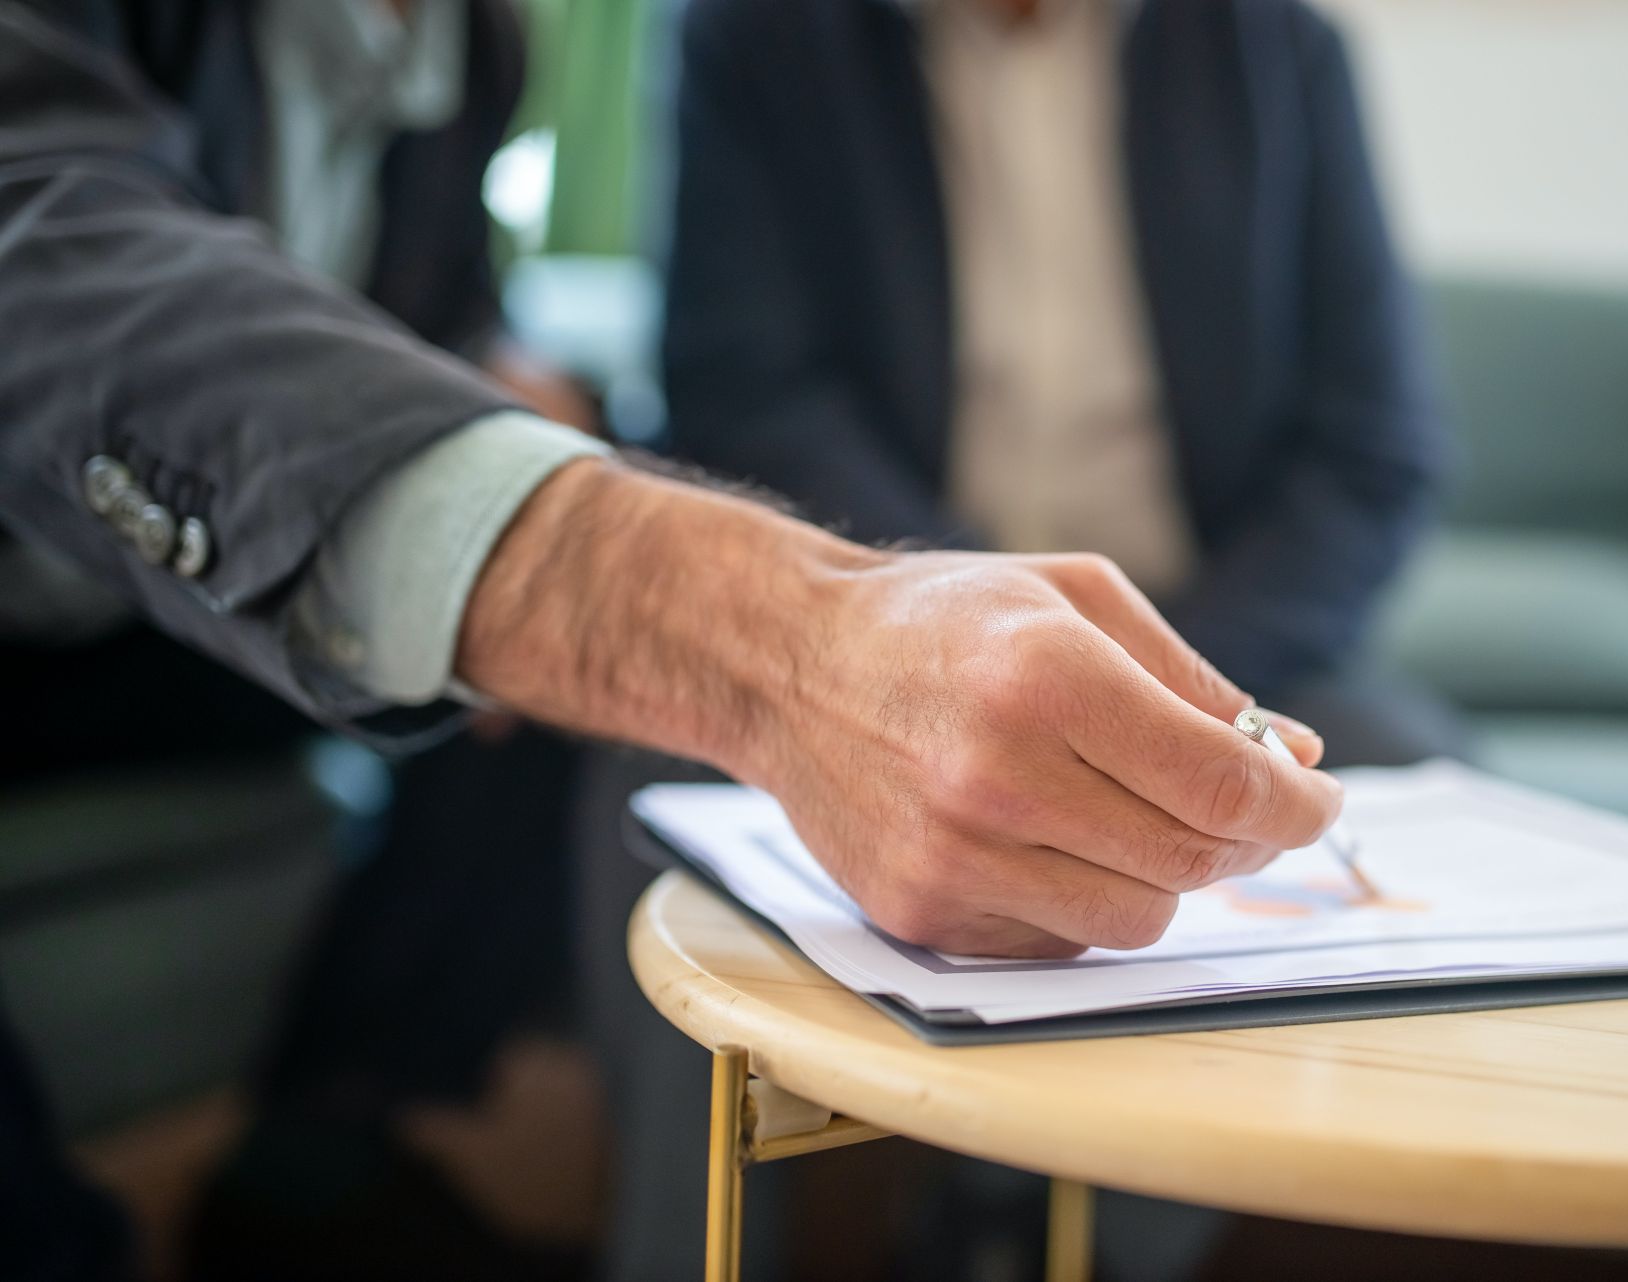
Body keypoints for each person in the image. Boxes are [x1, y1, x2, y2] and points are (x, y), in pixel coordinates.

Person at [0, 3, 1342, 1279]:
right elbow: (49, 240)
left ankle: (330, 1143)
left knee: (551, 677)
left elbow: (417, 293)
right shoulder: (759, 41)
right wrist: (771, 633)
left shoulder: (474, 42)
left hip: (178, 606)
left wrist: (511, 370)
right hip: (65, 595)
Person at [663, 0, 1460, 769]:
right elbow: (747, 395)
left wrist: (1170, 678)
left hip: (1226, 656)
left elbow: (1370, 448)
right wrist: (977, 629)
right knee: (650, 803)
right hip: (880, 632)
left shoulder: (1282, 46)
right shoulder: (759, 36)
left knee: (1415, 806)